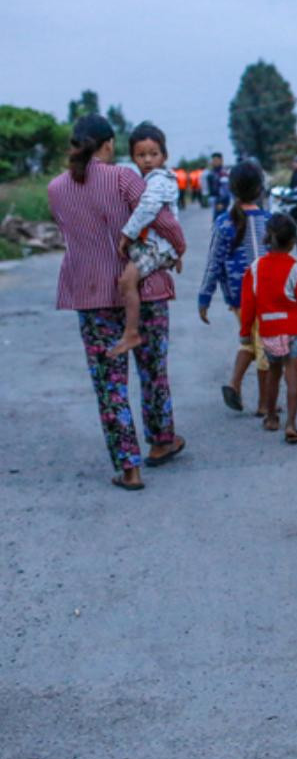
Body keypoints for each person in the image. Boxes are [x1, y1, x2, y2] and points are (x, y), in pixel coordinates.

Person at [47, 113, 187, 490]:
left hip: (91, 296)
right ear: (109, 144)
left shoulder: (56, 188)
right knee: (153, 371)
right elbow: (162, 221)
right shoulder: (124, 177)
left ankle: (129, 468)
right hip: (145, 289)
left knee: (110, 386)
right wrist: (179, 246)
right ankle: (161, 442)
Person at [239, 213, 297, 444]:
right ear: (293, 241)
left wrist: (245, 331)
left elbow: (248, 304)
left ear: (268, 238)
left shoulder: (255, 269)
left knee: (273, 374)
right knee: (293, 375)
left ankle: (270, 418)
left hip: (269, 330)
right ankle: (291, 424)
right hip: (295, 330)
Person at [199, 161, 272, 416]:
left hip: (238, 300)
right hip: (267, 298)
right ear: (261, 189)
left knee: (252, 342)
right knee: (265, 347)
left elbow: (214, 263)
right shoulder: (269, 221)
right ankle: (265, 404)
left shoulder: (223, 223)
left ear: (232, 190)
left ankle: (234, 384)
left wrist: (204, 298)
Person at [107, 122, 185, 359]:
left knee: (127, 281)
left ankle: (131, 332)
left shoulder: (159, 180)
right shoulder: (147, 178)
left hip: (155, 246)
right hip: (157, 245)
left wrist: (127, 233)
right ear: (132, 157)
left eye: (154, 154)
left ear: (164, 155)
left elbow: (149, 208)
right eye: (141, 155)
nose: (148, 160)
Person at [206, 152, 230, 220]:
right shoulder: (211, 173)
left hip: (221, 202)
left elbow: (225, 190)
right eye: (213, 160)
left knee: (221, 220)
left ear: (221, 161)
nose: (214, 162)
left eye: (216, 160)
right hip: (214, 200)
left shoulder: (223, 173)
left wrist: (221, 202)